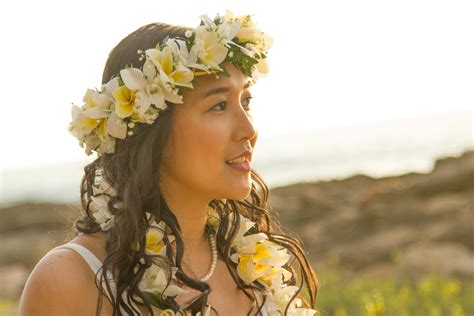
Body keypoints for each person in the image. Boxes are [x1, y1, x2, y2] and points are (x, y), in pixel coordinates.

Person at [18, 11, 319, 316]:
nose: (249, 130)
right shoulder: (69, 280)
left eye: (246, 101)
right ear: (151, 129)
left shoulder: (254, 266)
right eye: (219, 105)